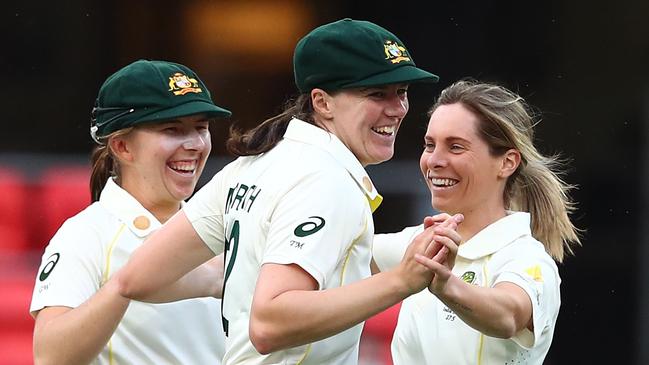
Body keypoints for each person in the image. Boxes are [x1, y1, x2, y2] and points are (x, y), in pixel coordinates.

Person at [117, 19, 462, 364]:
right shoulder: (327, 179)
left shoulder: (252, 165)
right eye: (376, 93)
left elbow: (138, 277)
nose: (398, 108)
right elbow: (269, 323)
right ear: (322, 103)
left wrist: (231, 278)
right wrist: (401, 281)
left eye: (401, 91)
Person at [30, 59, 232, 364]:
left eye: (201, 127)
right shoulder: (87, 234)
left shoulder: (223, 224)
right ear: (123, 147)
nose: (194, 144)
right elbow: (50, 356)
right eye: (172, 129)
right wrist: (126, 286)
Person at [372, 80, 582, 364]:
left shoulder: (525, 257)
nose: (434, 160)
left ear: (507, 162)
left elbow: (508, 316)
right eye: (430, 145)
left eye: (456, 147)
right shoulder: (418, 243)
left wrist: (448, 287)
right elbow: (338, 256)